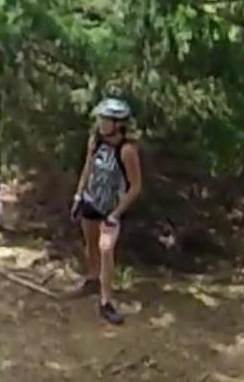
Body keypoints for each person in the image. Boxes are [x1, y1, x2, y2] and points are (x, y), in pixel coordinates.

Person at [70, 94, 142, 325]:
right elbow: (87, 168)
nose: (101, 123)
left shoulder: (127, 151)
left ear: (117, 123)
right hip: (91, 201)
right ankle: (92, 279)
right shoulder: (95, 142)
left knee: (106, 249)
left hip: (111, 208)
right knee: (91, 245)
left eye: (106, 119)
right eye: (100, 119)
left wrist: (116, 213)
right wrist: (78, 195)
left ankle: (106, 301)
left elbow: (136, 186)